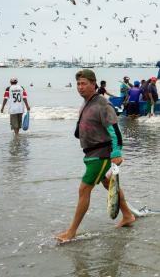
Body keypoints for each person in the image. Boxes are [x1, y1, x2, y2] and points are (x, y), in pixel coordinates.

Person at [55, 69, 134, 243]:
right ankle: (128, 216)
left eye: (84, 83)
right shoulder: (86, 103)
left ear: (93, 84)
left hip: (101, 155)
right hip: (91, 154)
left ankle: (71, 232)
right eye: (78, 84)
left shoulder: (102, 104)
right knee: (109, 184)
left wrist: (116, 152)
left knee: (84, 189)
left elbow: (115, 130)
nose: (80, 87)